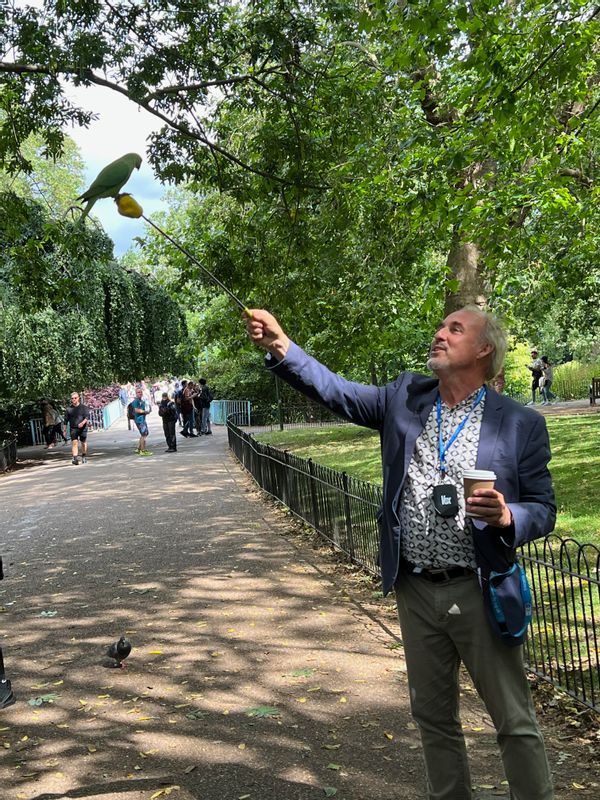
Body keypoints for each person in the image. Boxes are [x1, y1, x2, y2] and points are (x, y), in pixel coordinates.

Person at [245, 305, 555, 800]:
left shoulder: (519, 423)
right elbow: (337, 392)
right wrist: (281, 345)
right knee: (433, 719)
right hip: (415, 588)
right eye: (441, 325)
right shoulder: (405, 398)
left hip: (480, 587)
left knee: (514, 723)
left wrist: (507, 517)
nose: (440, 333)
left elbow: (543, 507)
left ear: (483, 350)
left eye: (455, 329)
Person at [64, 392, 90, 465]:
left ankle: (84, 456)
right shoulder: (69, 409)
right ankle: (75, 458)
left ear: (78, 398)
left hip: (83, 428)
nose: (74, 399)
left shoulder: (83, 407)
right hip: (73, 428)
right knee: (74, 442)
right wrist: (64, 430)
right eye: (72, 398)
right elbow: (65, 420)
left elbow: (86, 417)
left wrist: (82, 423)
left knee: (83, 442)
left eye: (75, 398)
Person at [131, 386, 152, 455]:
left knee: (145, 434)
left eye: (140, 392)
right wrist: (145, 411)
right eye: (138, 392)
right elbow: (137, 410)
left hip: (142, 420)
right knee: (144, 434)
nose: (140, 393)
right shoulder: (136, 401)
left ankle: (139, 449)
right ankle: (142, 451)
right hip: (139, 420)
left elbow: (145, 409)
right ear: (136, 393)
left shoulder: (141, 401)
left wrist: (148, 410)